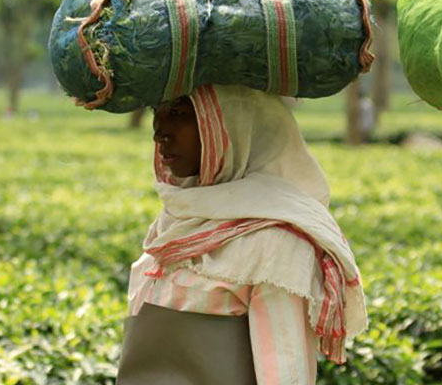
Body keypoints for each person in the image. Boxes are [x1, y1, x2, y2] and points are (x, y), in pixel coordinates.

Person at [117, 84, 367, 385]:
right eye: (158, 111)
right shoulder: (175, 221)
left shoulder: (273, 243)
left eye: (180, 112)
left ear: (235, 125)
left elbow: (285, 377)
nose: (160, 132)